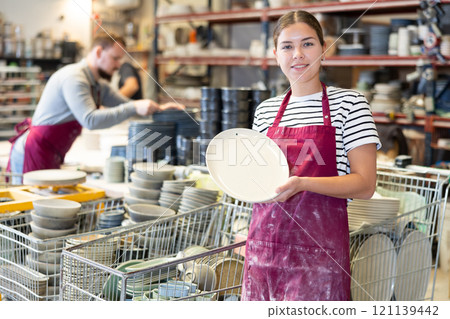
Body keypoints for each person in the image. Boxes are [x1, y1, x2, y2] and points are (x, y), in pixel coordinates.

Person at [242, 10, 381, 301]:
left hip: (321, 256)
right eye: (287, 46)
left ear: (324, 49)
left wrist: (303, 183)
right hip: (265, 250)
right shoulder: (265, 111)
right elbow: (259, 182)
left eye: (307, 44)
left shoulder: (350, 104)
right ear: (275, 54)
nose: (298, 55)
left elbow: (365, 185)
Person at [7, 32, 183, 180]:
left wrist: (160, 110)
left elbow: (127, 105)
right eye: (115, 58)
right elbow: (90, 120)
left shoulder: (98, 85)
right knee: (31, 211)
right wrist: (134, 107)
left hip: (52, 152)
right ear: (99, 52)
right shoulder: (75, 78)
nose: (118, 65)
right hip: (33, 151)